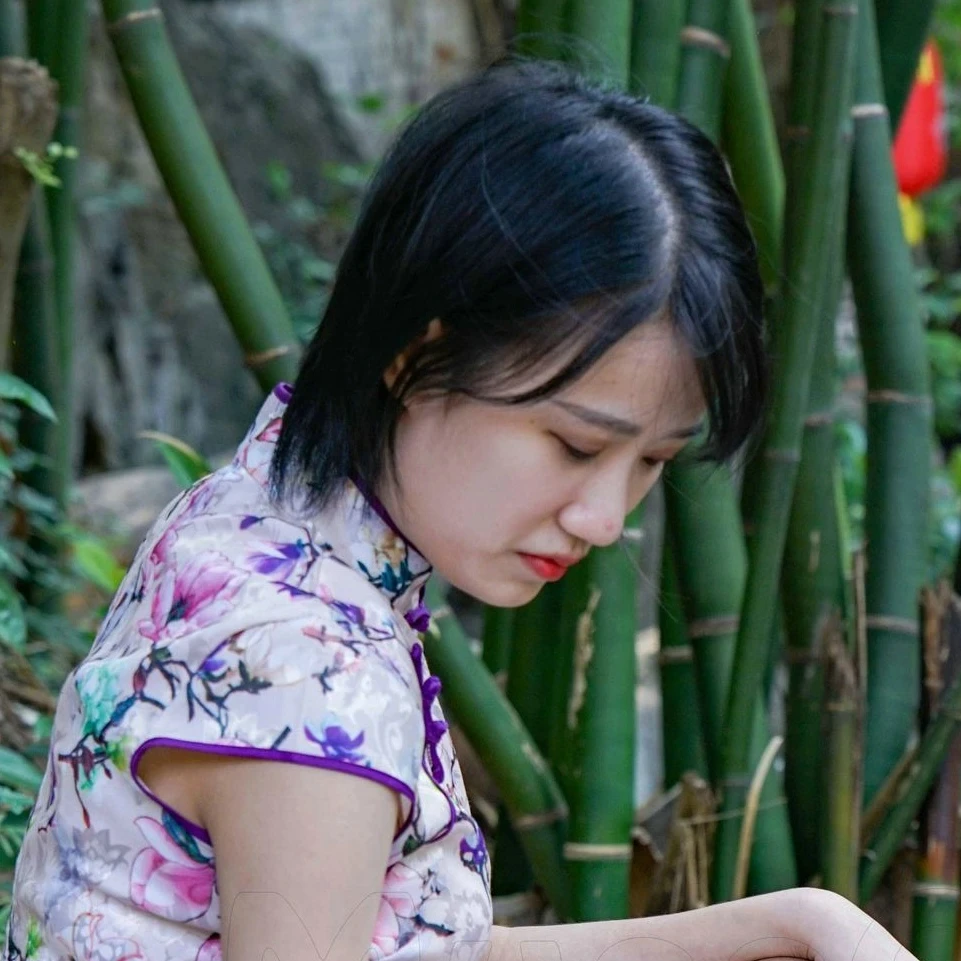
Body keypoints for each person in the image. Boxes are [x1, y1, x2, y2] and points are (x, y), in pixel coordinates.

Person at [5, 61, 915, 961]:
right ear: (414, 358)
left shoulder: (255, 516)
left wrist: (797, 922)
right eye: (575, 444)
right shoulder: (311, 671)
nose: (605, 519)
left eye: (652, 461)